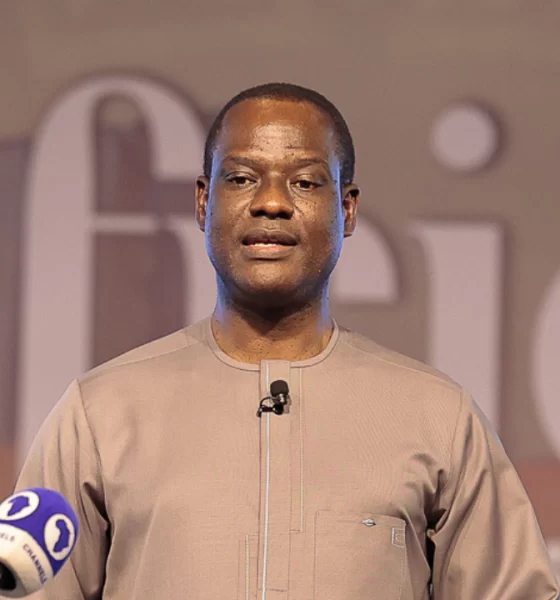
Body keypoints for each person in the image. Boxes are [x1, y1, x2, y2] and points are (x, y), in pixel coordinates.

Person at [15, 83, 559, 600]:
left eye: (304, 182)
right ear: (203, 202)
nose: (271, 202)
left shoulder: (437, 417)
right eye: (241, 178)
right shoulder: (101, 414)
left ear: (347, 209)